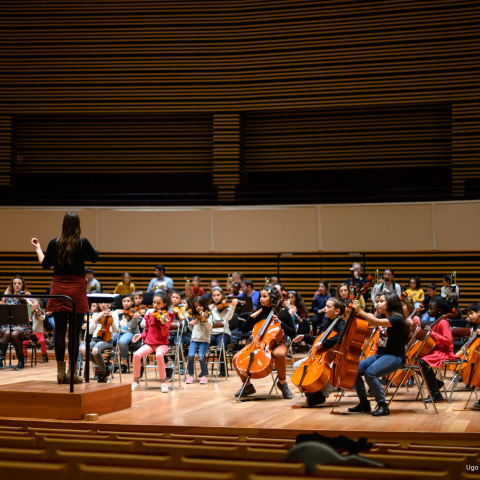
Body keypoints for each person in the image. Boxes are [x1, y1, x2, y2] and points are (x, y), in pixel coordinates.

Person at [31, 211, 99, 384]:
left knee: (59, 332)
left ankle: (60, 373)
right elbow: (95, 259)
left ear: (63, 224)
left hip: (59, 287)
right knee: (75, 334)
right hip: (77, 288)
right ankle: (72, 374)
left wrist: (38, 248)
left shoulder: (55, 243)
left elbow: (45, 265)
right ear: (78, 225)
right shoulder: (82, 242)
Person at [347, 292, 409, 416]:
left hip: (395, 356)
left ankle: (382, 405)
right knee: (353, 371)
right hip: (381, 354)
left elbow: (375, 321)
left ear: (390, 303)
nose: (378, 303)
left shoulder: (397, 319)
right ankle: (364, 402)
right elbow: (369, 322)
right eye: (378, 301)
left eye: (381, 301)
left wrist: (361, 311)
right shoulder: (381, 316)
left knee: (370, 373)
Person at [232, 284, 295, 399]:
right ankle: (247, 386)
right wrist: (251, 317)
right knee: (236, 358)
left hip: (278, 343)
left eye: (265, 296)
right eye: (261, 296)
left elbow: (293, 333)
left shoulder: (282, 313)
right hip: (257, 343)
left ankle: (283, 384)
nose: (261, 299)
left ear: (272, 298)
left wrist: (281, 324)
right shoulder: (258, 312)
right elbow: (243, 330)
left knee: (279, 354)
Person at [292, 297, 346, 407]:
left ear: (337, 311)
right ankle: (313, 390)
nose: (324, 309)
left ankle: (323, 394)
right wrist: (305, 337)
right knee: (297, 365)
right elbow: (319, 340)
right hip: (321, 356)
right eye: (325, 306)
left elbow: (340, 337)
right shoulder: (326, 322)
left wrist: (324, 344)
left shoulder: (342, 324)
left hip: (335, 356)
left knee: (331, 370)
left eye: (328, 307)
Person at [419, 295, 459, 403]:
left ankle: (436, 393)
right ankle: (436, 383)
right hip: (436, 350)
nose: (429, 311)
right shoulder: (436, 321)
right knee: (416, 359)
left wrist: (432, 333)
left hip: (444, 352)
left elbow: (448, 341)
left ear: (440, 310)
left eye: (432, 309)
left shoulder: (443, 322)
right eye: (429, 308)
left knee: (422, 362)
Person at [131, 292, 173, 393]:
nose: (155, 305)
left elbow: (164, 334)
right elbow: (146, 331)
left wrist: (163, 323)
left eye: (158, 303)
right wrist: (140, 335)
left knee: (159, 355)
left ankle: (163, 382)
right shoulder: (150, 315)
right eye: (154, 302)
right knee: (136, 355)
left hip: (162, 344)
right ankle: (136, 382)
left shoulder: (168, 316)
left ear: (164, 304)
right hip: (149, 344)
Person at [0, 275, 40, 368]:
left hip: (23, 327)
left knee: (14, 334)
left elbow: (35, 306)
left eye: (19, 283)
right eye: (15, 283)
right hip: (8, 326)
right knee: (6, 332)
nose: (17, 285)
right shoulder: (8, 297)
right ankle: (0, 360)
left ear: (22, 285)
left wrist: (27, 301)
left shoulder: (26, 296)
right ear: (12, 285)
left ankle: (21, 360)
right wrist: (4, 296)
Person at [80, 302, 119, 382]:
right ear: (99, 304)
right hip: (95, 339)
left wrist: (112, 318)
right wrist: (96, 318)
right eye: (101, 303)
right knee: (83, 349)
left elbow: (115, 330)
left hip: (107, 340)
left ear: (109, 304)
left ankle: (102, 373)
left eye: (106, 303)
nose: (104, 305)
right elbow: (90, 332)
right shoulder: (95, 314)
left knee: (95, 350)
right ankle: (105, 368)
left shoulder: (114, 313)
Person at [210, 287, 238, 377]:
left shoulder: (227, 307)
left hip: (223, 332)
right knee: (202, 342)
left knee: (220, 347)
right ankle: (204, 370)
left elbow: (227, 318)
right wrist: (208, 310)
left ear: (222, 295)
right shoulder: (211, 308)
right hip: (212, 333)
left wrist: (233, 306)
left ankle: (223, 368)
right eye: (214, 295)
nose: (216, 297)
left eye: (218, 295)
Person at [186, 297, 212, 384]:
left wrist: (206, 321)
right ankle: (191, 375)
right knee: (190, 356)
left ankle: (204, 375)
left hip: (204, 340)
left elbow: (210, 328)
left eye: (200, 306)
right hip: (194, 339)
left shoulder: (209, 315)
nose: (198, 308)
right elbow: (191, 329)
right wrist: (190, 324)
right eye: (196, 306)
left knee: (201, 356)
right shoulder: (195, 316)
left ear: (204, 305)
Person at [112, 295, 141, 373]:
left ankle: (124, 363)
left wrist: (135, 318)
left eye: (128, 301)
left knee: (122, 341)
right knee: (110, 339)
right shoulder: (120, 313)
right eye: (124, 301)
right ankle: (115, 362)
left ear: (132, 302)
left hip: (131, 332)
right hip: (119, 331)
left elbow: (132, 326)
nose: (126, 303)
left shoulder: (135, 313)